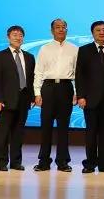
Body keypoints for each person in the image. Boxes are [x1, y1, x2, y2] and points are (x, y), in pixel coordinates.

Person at [75, 20, 104, 174]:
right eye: (98, 30)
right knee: (91, 132)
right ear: (92, 33)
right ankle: (89, 164)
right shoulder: (84, 50)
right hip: (90, 99)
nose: (101, 32)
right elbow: (80, 75)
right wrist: (81, 96)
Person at [33, 18, 78, 172]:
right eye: (57, 27)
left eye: (63, 27)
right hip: (48, 88)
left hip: (66, 88)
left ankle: (62, 161)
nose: (60, 29)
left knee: (63, 127)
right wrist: (37, 93)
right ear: (52, 30)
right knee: (46, 126)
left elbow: (77, 74)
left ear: (67, 29)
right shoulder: (44, 49)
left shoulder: (74, 49)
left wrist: (76, 92)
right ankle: (44, 161)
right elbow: (38, 72)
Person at [0, 25, 35, 171]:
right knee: (3, 133)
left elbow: (31, 79)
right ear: (8, 37)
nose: (18, 37)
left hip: (24, 100)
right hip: (6, 101)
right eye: (15, 35)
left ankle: (16, 162)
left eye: (20, 35)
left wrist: (32, 97)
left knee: (18, 133)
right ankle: (1, 162)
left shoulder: (29, 57)